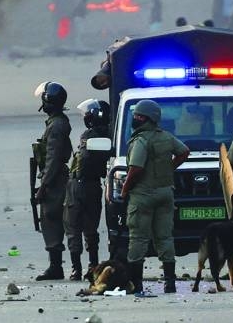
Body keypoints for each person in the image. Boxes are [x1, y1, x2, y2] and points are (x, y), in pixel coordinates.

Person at [120, 99, 190, 295]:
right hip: (165, 192)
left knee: (138, 239)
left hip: (143, 194)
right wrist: (169, 169)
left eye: (138, 116)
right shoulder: (166, 137)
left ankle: (137, 284)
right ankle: (170, 283)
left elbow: (136, 168)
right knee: (165, 238)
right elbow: (184, 152)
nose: (135, 119)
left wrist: (126, 189)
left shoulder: (141, 140)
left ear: (146, 119)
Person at [65, 99, 111, 280]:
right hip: (94, 186)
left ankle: (76, 268)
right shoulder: (109, 135)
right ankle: (93, 265)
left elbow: (82, 161)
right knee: (91, 228)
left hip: (79, 185)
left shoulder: (89, 135)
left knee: (73, 226)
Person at [32, 81, 72, 280]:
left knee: (51, 220)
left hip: (55, 181)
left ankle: (56, 267)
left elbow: (53, 157)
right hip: (56, 177)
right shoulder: (57, 122)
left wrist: (44, 186)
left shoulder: (56, 125)